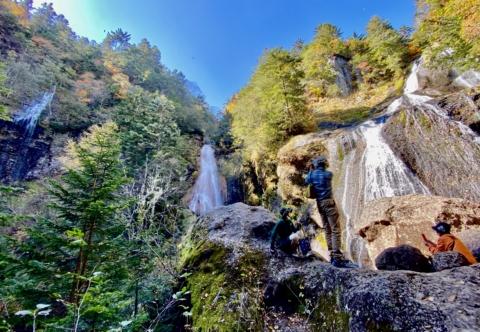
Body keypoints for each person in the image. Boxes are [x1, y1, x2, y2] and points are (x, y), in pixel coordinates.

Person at [305, 156, 356, 268]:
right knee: (335, 229)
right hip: (329, 202)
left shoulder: (312, 175)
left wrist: (311, 170)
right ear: (324, 164)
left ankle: (332, 255)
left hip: (320, 204)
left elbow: (306, 181)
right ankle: (337, 257)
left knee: (327, 229)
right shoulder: (329, 174)